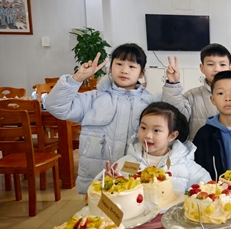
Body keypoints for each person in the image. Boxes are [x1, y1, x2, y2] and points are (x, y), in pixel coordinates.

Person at [45, 44, 159, 193]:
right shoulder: (93, 99)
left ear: (141, 73)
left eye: (132, 66)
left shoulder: (150, 105)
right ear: (110, 68)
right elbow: (55, 106)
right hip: (97, 183)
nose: (124, 70)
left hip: (134, 184)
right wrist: (76, 79)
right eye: (119, 64)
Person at [103, 102, 211, 192]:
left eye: (156, 130)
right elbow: (105, 195)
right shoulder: (126, 162)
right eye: (143, 128)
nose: (147, 135)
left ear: (172, 136)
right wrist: (111, 182)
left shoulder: (186, 167)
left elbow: (208, 190)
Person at [162, 43, 231, 140]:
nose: (217, 69)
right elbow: (175, 119)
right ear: (202, 68)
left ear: (230, 68)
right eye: (210, 64)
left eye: (222, 64)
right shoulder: (191, 96)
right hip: (200, 147)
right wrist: (173, 84)